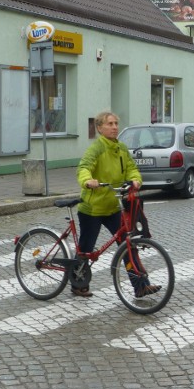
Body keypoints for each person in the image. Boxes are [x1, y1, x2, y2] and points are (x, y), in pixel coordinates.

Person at [74, 111, 160, 298]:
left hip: (113, 206)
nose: (114, 127)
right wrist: (88, 180)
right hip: (93, 208)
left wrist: (135, 180)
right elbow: (84, 167)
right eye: (110, 124)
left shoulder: (121, 148)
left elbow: (131, 169)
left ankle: (141, 286)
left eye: (116, 124)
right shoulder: (96, 148)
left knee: (127, 245)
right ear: (99, 128)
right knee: (86, 249)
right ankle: (78, 284)